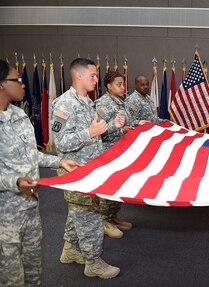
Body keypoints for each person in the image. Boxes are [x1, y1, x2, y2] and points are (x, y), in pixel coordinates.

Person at [0, 59, 80, 286]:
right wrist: (15, 182)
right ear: (1, 84)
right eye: (16, 79)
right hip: (5, 217)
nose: (23, 84)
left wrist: (60, 162)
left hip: (31, 209)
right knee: (11, 279)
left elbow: (30, 155)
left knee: (35, 273)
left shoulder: (19, 115)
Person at [51, 58, 125, 279]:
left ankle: (70, 250)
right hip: (76, 172)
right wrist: (90, 133)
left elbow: (96, 134)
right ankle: (93, 262)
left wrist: (111, 126)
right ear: (79, 76)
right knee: (90, 216)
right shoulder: (64, 105)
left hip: (91, 170)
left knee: (78, 213)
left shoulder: (87, 102)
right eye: (92, 75)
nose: (96, 79)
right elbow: (60, 143)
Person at [95, 70, 133, 239]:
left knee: (118, 186)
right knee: (108, 187)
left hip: (121, 151)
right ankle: (104, 220)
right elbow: (99, 132)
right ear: (109, 87)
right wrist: (117, 127)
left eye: (123, 84)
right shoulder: (102, 104)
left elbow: (125, 123)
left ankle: (113, 216)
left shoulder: (121, 102)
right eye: (119, 84)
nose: (123, 87)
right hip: (108, 152)